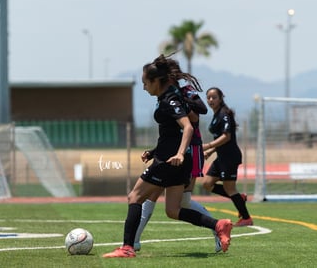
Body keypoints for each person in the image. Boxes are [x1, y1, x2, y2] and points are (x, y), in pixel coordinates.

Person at [102, 56, 232, 258]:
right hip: (175, 159)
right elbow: (173, 131)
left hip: (168, 161)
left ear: (156, 81)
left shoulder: (169, 100)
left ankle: (127, 247)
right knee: (173, 210)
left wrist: (179, 153)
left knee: (135, 196)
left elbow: (188, 127)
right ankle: (218, 225)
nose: (144, 87)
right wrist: (154, 151)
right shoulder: (172, 96)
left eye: (146, 83)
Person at [133, 58, 222, 253]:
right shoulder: (166, 96)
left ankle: (217, 228)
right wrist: (155, 151)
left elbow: (199, 113)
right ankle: (134, 242)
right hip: (172, 151)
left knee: (182, 202)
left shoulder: (182, 92)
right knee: (151, 197)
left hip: (190, 149)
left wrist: (185, 107)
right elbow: (170, 133)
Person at [202, 87, 253, 226]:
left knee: (230, 188)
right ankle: (239, 198)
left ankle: (247, 218)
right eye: (209, 97)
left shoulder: (224, 114)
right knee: (207, 184)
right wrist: (211, 152)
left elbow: (226, 137)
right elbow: (220, 138)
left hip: (230, 157)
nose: (211, 100)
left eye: (214, 97)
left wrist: (208, 146)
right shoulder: (216, 114)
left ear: (221, 98)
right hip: (222, 157)